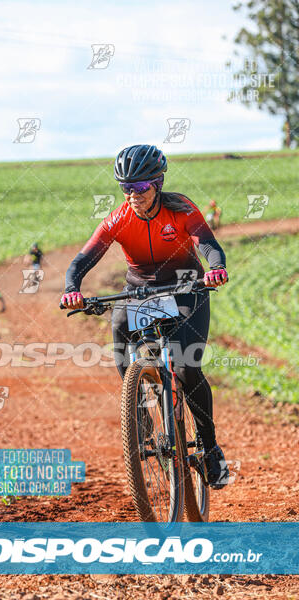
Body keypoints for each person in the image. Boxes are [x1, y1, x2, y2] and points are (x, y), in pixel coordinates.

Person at [60, 144, 229, 489]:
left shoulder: (180, 208)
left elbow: (209, 244)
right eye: (126, 188)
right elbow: (82, 260)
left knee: (186, 365)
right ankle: (139, 411)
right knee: (120, 335)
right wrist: (71, 288)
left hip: (186, 287)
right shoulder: (120, 218)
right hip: (140, 289)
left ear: (158, 182)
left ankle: (210, 448)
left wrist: (216, 268)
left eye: (140, 187)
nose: (133, 196)